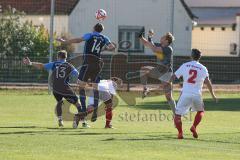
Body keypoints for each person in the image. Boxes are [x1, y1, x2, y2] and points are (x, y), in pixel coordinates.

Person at [58, 23, 116, 128]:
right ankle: (94, 114)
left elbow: (78, 40)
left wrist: (65, 42)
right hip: (97, 63)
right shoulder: (104, 37)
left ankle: (82, 113)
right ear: (101, 30)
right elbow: (111, 47)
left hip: (88, 62)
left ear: (94, 28)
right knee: (95, 86)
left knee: (81, 85)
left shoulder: (90, 35)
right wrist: (106, 48)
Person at [23, 50, 86, 127]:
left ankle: (60, 120)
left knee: (59, 102)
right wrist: (79, 81)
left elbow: (41, 66)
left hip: (55, 88)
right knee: (77, 103)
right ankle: (81, 121)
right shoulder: (69, 65)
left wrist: (30, 63)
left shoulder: (54, 64)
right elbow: (76, 74)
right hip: (65, 87)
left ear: (58, 57)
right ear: (65, 57)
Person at [169, 49, 218, 139]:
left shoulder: (185, 65)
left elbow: (173, 76)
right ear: (199, 57)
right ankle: (194, 126)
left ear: (191, 56)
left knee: (177, 115)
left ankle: (180, 133)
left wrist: (168, 85)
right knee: (200, 111)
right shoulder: (203, 68)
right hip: (197, 94)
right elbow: (208, 82)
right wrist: (213, 95)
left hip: (185, 94)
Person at [138, 28, 176, 114]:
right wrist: (141, 37)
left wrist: (150, 37)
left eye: (163, 37)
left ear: (166, 40)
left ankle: (176, 115)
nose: (161, 38)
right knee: (144, 70)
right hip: (158, 71)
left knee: (168, 97)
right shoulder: (159, 45)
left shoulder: (168, 49)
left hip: (166, 73)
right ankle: (145, 89)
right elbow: (147, 44)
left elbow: (154, 49)